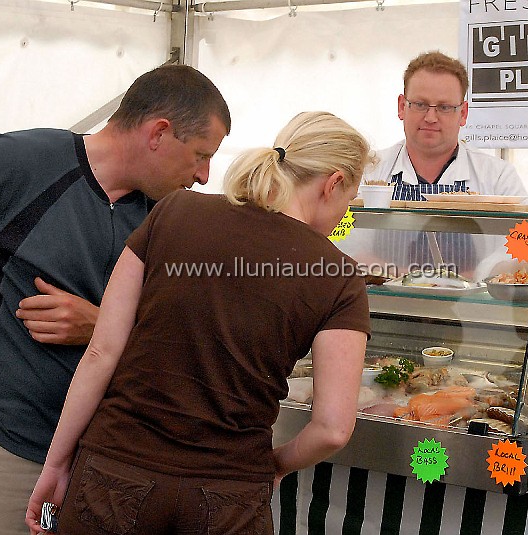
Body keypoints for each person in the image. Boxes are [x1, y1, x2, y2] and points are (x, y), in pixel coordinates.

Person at [0, 64, 231, 535]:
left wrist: (101, 324)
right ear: (159, 133)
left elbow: (185, 329)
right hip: (7, 451)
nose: (204, 176)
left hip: (112, 460)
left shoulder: (166, 214)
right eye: (201, 155)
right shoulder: (21, 162)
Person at [24, 111, 373, 534]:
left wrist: (57, 463)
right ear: (332, 183)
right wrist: (272, 466)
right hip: (229, 495)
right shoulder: (338, 275)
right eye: (349, 201)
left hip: (116, 473)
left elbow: (101, 352)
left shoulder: (175, 211)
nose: (342, 216)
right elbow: (333, 429)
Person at [358, 51, 528, 276]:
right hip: (385, 306)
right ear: (402, 106)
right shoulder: (368, 171)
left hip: (470, 307)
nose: (430, 117)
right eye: (420, 104)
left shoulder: (498, 176)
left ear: (463, 113)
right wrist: (391, 273)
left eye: (444, 107)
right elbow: (341, 239)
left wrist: (483, 273)